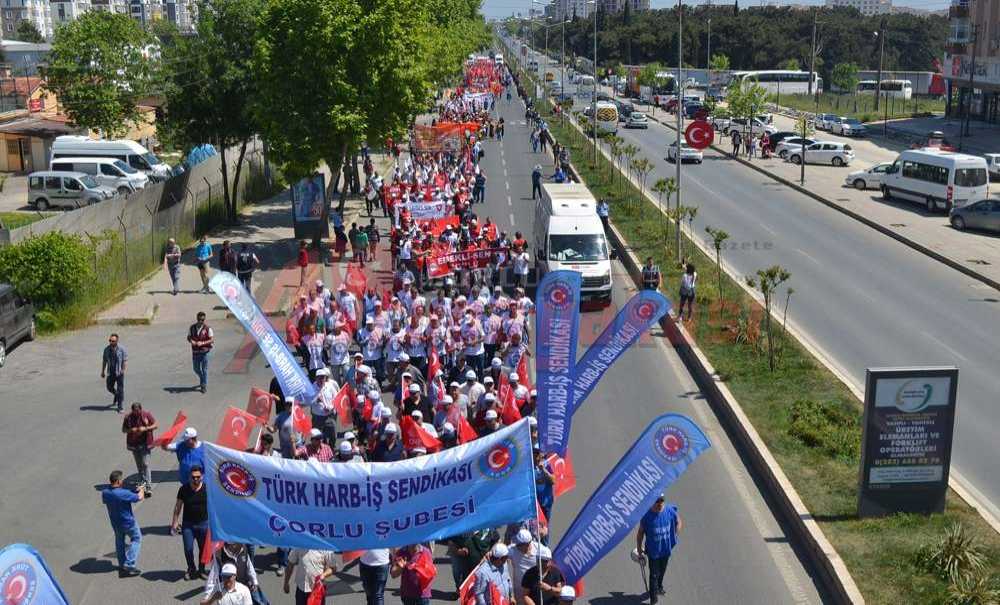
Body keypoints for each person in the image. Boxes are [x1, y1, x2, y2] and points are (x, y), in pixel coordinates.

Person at [636, 494, 682, 604]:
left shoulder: (670, 511)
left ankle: (659, 586)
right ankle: (653, 600)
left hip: (666, 550)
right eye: (657, 501)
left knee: (662, 571)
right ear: (652, 501)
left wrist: (675, 534)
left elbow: (679, 521)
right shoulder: (646, 516)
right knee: (653, 575)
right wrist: (639, 550)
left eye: (662, 500)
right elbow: (640, 534)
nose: (660, 503)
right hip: (653, 553)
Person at [101, 469, 144, 577]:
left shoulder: (105, 493)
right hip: (128, 522)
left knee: (119, 543)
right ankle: (129, 564)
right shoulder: (123, 493)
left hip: (115, 523)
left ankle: (122, 565)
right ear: (119, 481)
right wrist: (141, 489)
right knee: (137, 539)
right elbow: (139, 497)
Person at [172, 465, 210, 580]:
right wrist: (175, 522)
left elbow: (214, 506)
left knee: (203, 549)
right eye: (193, 477)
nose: (196, 479)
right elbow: (178, 506)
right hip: (188, 525)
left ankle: (202, 569)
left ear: (202, 476)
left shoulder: (207, 489)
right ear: (189, 477)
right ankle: (191, 568)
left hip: (203, 524)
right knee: (188, 549)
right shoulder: (183, 489)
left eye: (198, 477)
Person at [122, 402, 157, 496]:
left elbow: (155, 425)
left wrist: (145, 428)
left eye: (138, 411)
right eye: (134, 412)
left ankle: (148, 486)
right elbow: (123, 430)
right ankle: (142, 484)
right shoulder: (128, 417)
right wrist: (130, 430)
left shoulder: (147, 415)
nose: (136, 414)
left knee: (145, 464)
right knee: (139, 465)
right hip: (134, 444)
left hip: (145, 444)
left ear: (141, 409)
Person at [509, 529, 539, 602]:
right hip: (520, 589)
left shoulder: (539, 549)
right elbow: (500, 550)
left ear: (528, 544)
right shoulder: (512, 550)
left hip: (535, 587)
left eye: (518, 544)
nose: (516, 545)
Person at [188, 311, 214, 394]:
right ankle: (202, 379)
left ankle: (203, 385)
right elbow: (188, 337)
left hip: (204, 352)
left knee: (204, 369)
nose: (201, 321)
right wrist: (191, 340)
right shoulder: (192, 328)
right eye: (199, 319)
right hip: (195, 352)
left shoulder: (208, 328)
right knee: (196, 369)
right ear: (197, 319)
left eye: (202, 320)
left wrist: (202, 343)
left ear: (204, 319)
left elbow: (212, 339)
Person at [102, 332, 128, 412]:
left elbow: (125, 360)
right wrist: (102, 371)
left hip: (119, 372)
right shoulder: (106, 349)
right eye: (110, 340)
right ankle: (117, 395)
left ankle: (120, 407)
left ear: (117, 341)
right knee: (109, 387)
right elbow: (104, 361)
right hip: (110, 372)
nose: (111, 342)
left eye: (113, 341)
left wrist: (123, 370)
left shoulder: (122, 349)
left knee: (120, 389)